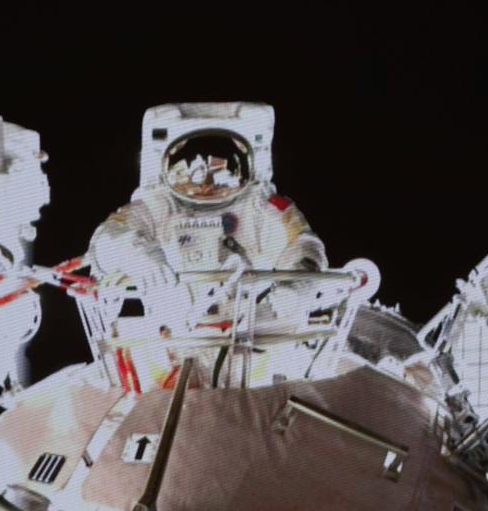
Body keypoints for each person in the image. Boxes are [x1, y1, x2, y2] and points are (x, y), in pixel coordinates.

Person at [87, 103, 328, 388]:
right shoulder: (157, 206)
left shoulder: (260, 207)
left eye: (220, 172)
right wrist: (139, 257)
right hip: (173, 341)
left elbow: (304, 246)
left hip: (252, 341)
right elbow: (106, 238)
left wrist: (296, 286)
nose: (206, 181)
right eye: (192, 170)